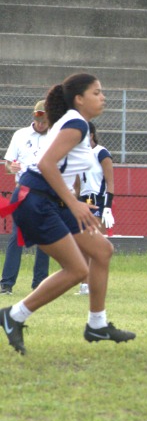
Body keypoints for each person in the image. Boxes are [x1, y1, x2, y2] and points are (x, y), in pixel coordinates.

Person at [0, 73, 135, 355]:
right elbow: (46, 165)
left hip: (50, 200)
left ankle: (97, 325)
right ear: (79, 99)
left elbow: (60, 168)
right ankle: (14, 315)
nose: (103, 97)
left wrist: (73, 202)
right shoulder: (76, 124)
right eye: (96, 92)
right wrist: (75, 204)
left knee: (102, 251)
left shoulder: (75, 122)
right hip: (35, 199)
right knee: (77, 270)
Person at [0, 100, 51, 295]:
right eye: (39, 120)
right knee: (17, 236)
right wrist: (11, 167)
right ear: (34, 116)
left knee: (44, 238)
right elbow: (7, 165)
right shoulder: (20, 135)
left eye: (45, 121)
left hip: (46, 190)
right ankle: (6, 283)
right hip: (23, 190)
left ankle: (40, 284)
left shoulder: (55, 137)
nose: (41, 125)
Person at [75, 122, 115, 295]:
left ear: (91, 135)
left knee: (94, 242)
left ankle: (96, 283)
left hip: (98, 200)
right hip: (83, 201)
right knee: (82, 243)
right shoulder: (77, 154)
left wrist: (108, 207)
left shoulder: (101, 153)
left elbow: (110, 182)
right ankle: (84, 284)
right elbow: (77, 184)